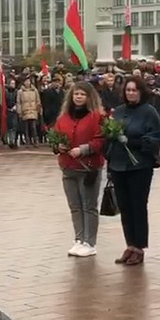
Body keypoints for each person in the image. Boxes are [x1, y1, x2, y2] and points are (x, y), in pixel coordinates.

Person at [107, 77, 160, 266]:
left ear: (141, 91)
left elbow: (154, 138)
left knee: (138, 206)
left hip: (139, 166)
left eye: (134, 90)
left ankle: (140, 247)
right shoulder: (119, 111)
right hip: (119, 165)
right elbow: (110, 137)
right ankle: (130, 244)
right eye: (128, 90)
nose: (131, 93)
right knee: (124, 207)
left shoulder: (149, 112)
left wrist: (131, 142)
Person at [52, 82, 106, 257]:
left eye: (82, 94)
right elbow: (55, 138)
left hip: (88, 168)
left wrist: (83, 149)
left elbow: (100, 140)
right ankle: (79, 239)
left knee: (89, 206)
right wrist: (58, 146)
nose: (79, 97)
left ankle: (90, 242)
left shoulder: (97, 117)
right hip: (68, 167)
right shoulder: (63, 119)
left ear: (89, 97)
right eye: (76, 94)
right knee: (75, 206)